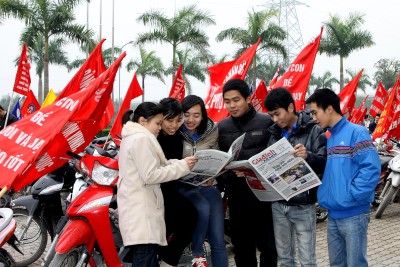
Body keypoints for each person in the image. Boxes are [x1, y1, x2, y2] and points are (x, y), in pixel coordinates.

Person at [306, 88, 380, 267]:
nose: (314, 118)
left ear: (329, 108)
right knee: (337, 264)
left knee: (355, 263)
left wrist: (352, 194)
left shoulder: (357, 132)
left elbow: (371, 168)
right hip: (334, 214)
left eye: (315, 112)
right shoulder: (331, 136)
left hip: (353, 213)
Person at [117, 102, 197, 267]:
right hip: (142, 211)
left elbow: (155, 167)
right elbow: (151, 175)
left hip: (139, 208)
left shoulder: (132, 137)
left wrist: (179, 164)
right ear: (143, 121)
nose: (160, 127)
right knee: (145, 258)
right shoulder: (141, 139)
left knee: (146, 258)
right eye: (158, 123)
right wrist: (182, 166)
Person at [264, 88, 327, 267]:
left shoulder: (314, 129)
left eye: (277, 114)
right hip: (278, 204)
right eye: (271, 116)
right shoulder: (274, 133)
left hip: (303, 204)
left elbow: (325, 162)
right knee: (284, 260)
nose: (275, 120)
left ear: (291, 107)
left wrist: (308, 156)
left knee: (307, 261)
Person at [217, 79, 277, 267]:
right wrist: (229, 175)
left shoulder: (267, 122)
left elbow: (277, 156)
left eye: (236, 100)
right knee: (242, 249)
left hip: (264, 197)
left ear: (248, 98)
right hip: (237, 197)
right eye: (227, 101)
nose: (232, 105)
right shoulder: (222, 127)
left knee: (268, 247)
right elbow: (219, 164)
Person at [178, 95, 228, 267]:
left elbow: (217, 156)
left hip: (207, 185)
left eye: (196, 115)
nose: (191, 120)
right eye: (186, 114)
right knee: (202, 208)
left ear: (203, 116)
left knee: (218, 240)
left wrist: (213, 174)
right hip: (181, 188)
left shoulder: (212, 130)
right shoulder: (173, 131)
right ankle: (197, 253)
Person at [157, 98, 198, 267]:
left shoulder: (178, 137)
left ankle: (168, 260)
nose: (174, 125)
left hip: (173, 187)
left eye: (178, 120)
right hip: (156, 189)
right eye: (169, 120)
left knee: (191, 217)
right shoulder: (153, 138)